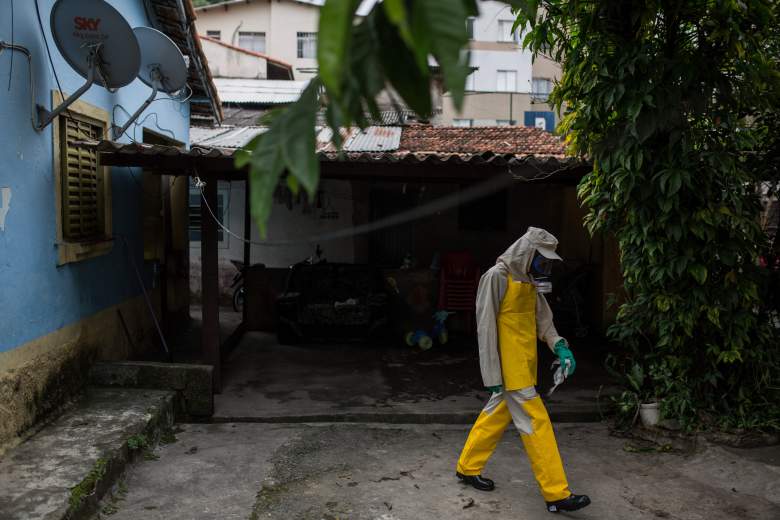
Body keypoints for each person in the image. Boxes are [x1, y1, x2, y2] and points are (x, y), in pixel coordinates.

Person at [455, 227, 591, 513]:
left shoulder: (529, 281)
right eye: (541, 260)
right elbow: (485, 329)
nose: (545, 266)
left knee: (494, 416)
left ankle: (467, 467)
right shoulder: (496, 277)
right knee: (537, 424)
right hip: (509, 372)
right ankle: (556, 494)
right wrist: (491, 375)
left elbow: (544, 321)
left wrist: (560, 346)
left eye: (548, 262)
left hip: (524, 366)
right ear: (526, 253)